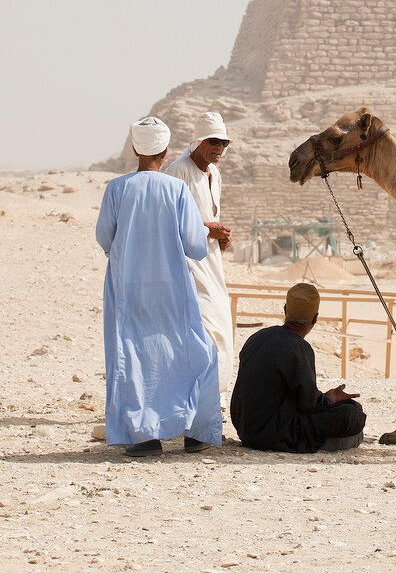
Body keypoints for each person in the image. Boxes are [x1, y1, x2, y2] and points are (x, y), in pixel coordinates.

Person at [95, 116, 222, 457]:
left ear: (136, 148)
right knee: (195, 351)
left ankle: (142, 437)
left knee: (133, 355)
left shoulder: (116, 189)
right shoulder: (176, 189)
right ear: (166, 150)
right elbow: (196, 246)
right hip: (172, 289)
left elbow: (105, 239)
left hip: (128, 289)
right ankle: (196, 432)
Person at [230, 282, 366, 453]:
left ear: (286, 310)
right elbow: (310, 405)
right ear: (315, 319)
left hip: (245, 429)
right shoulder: (298, 348)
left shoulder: (257, 337)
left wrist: (324, 398)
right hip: (273, 434)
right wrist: (332, 399)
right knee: (352, 412)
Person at [166, 111, 234, 397]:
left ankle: (212, 393)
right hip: (187, 261)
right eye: (214, 141)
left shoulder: (214, 174)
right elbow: (168, 221)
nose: (219, 148)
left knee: (221, 320)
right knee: (204, 324)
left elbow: (208, 214)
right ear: (198, 141)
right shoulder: (178, 171)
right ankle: (199, 395)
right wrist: (208, 230)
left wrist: (219, 238)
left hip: (211, 260)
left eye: (225, 143)